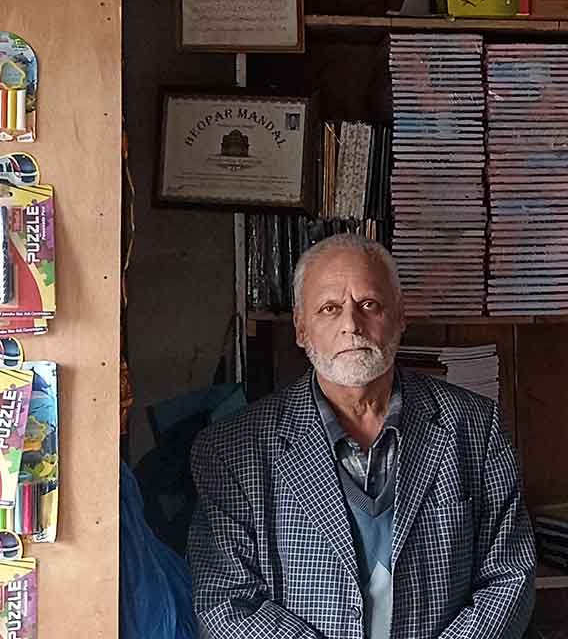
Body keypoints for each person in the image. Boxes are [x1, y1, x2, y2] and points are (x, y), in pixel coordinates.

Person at [188, 233, 535, 639]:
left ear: (400, 317)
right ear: (301, 329)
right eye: (329, 309)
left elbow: (511, 575)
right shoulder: (233, 448)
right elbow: (226, 601)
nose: (351, 325)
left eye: (368, 305)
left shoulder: (474, 426)